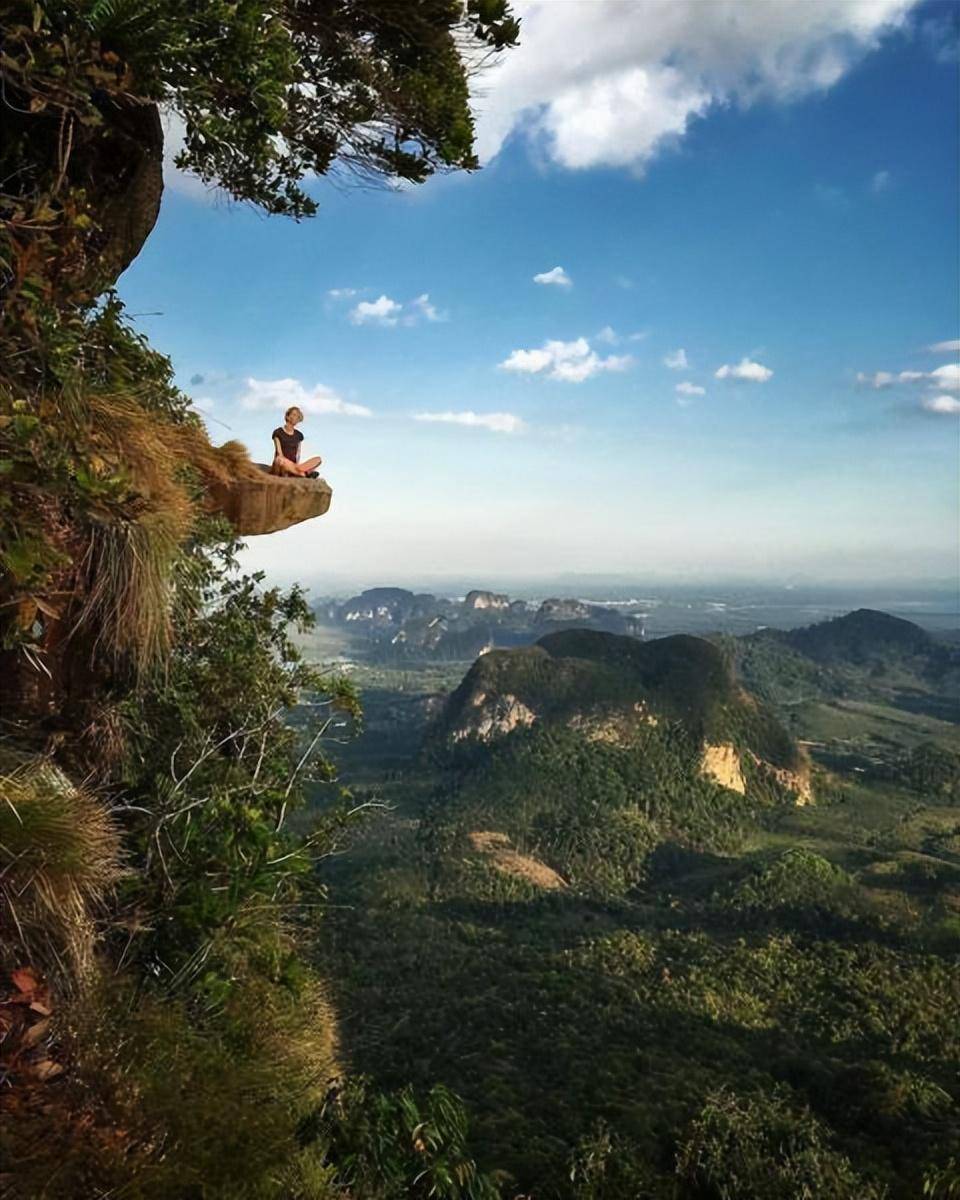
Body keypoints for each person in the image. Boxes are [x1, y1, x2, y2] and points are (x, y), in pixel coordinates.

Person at [271, 406, 323, 477]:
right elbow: (279, 453)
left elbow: (298, 454)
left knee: (318, 459)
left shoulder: (299, 435)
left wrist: (296, 465)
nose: (296, 417)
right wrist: (288, 464)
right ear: (288, 416)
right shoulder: (278, 432)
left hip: (295, 466)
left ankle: (299, 471)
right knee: (279, 459)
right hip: (281, 465)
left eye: (298, 416)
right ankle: (303, 474)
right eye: (294, 414)